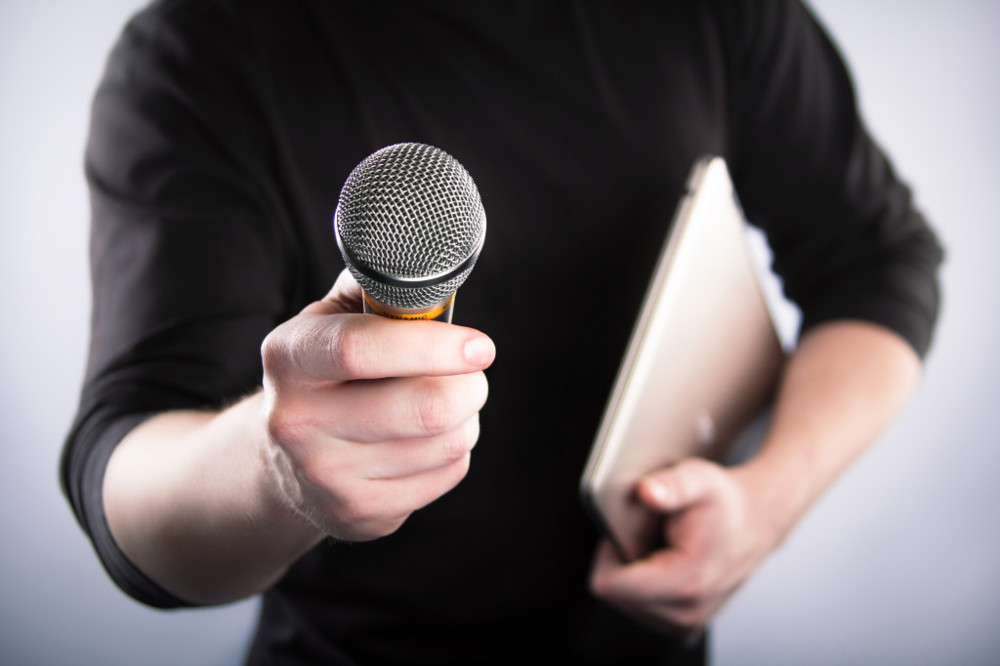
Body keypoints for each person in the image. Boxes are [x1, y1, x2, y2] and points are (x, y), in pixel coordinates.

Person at [61, 1, 942, 664]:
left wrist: (768, 502)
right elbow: (127, 482)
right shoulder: (199, 52)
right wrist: (274, 469)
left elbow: (879, 261)